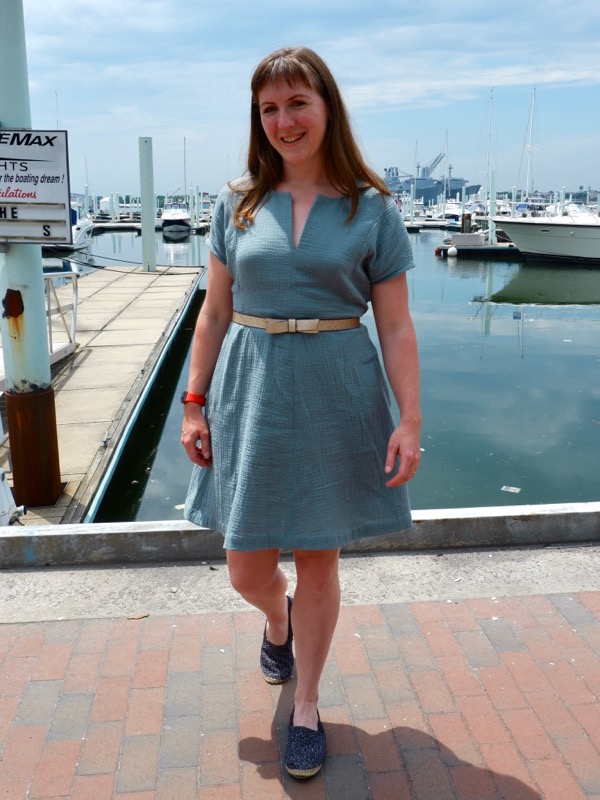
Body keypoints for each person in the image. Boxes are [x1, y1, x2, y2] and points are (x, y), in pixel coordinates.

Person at [181, 46, 421, 779]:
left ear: (327, 109)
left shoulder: (371, 209)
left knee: (320, 552)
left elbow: (398, 327)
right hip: (248, 387)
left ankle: (308, 704)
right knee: (246, 567)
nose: (284, 121)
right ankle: (276, 619)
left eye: (297, 104)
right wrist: (194, 402)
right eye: (270, 108)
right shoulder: (237, 204)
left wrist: (409, 418)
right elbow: (215, 314)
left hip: (337, 387)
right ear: (259, 119)